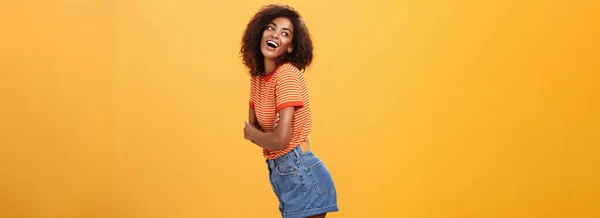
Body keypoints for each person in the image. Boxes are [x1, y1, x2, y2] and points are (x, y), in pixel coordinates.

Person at [241, 4, 338, 218]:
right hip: (284, 174)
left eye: (285, 33)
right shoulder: (258, 79)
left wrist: (256, 134)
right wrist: (262, 135)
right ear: (260, 33)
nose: (275, 34)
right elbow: (257, 131)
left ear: (291, 47)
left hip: (302, 173)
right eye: (271, 28)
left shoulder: (287, 75)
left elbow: (275, 139)